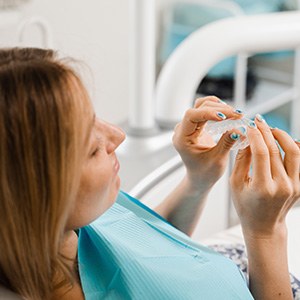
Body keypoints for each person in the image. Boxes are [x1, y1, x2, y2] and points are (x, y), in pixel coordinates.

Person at [0, 47, 299, 300]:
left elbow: (144, 251)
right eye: (92, 148)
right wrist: (266, 232)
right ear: (35, 200)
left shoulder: (74, 224)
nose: (116, 136)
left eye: (94, 118)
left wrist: (198, 181)